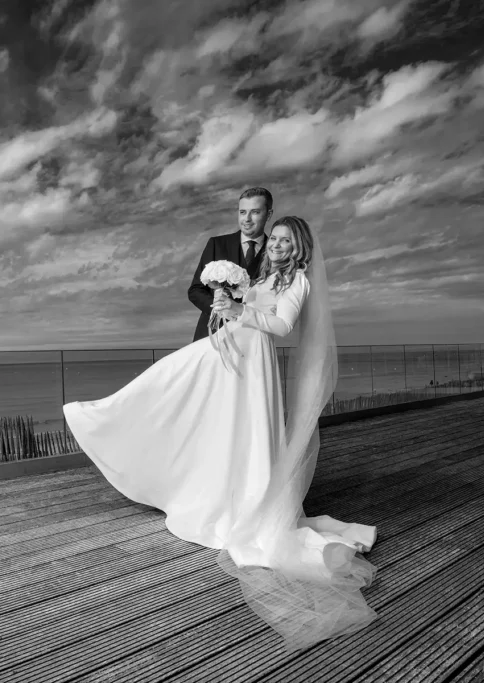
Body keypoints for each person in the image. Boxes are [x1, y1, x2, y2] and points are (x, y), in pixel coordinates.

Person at [64, 215, 378, 651]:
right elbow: (241, 313)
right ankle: (107, 415)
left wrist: (240, 309)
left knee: (235, 427)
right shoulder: (266, 276)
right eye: (276, 240)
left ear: (300, 246)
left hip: (254, 366)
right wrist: (225, 301)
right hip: (232, 354)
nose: (278, 246)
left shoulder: (299, 282)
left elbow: (282, 326)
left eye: (287, 241)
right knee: (175, 387)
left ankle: (241, 501)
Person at [188, 187, 273, 342]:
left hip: (253, 337)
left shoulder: (275, 252)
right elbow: (195, 290)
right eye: (242, 212)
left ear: (268, 215)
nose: (247, 219)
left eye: (255, 212)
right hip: (211, 335)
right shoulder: (217, 244)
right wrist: (219, 309)